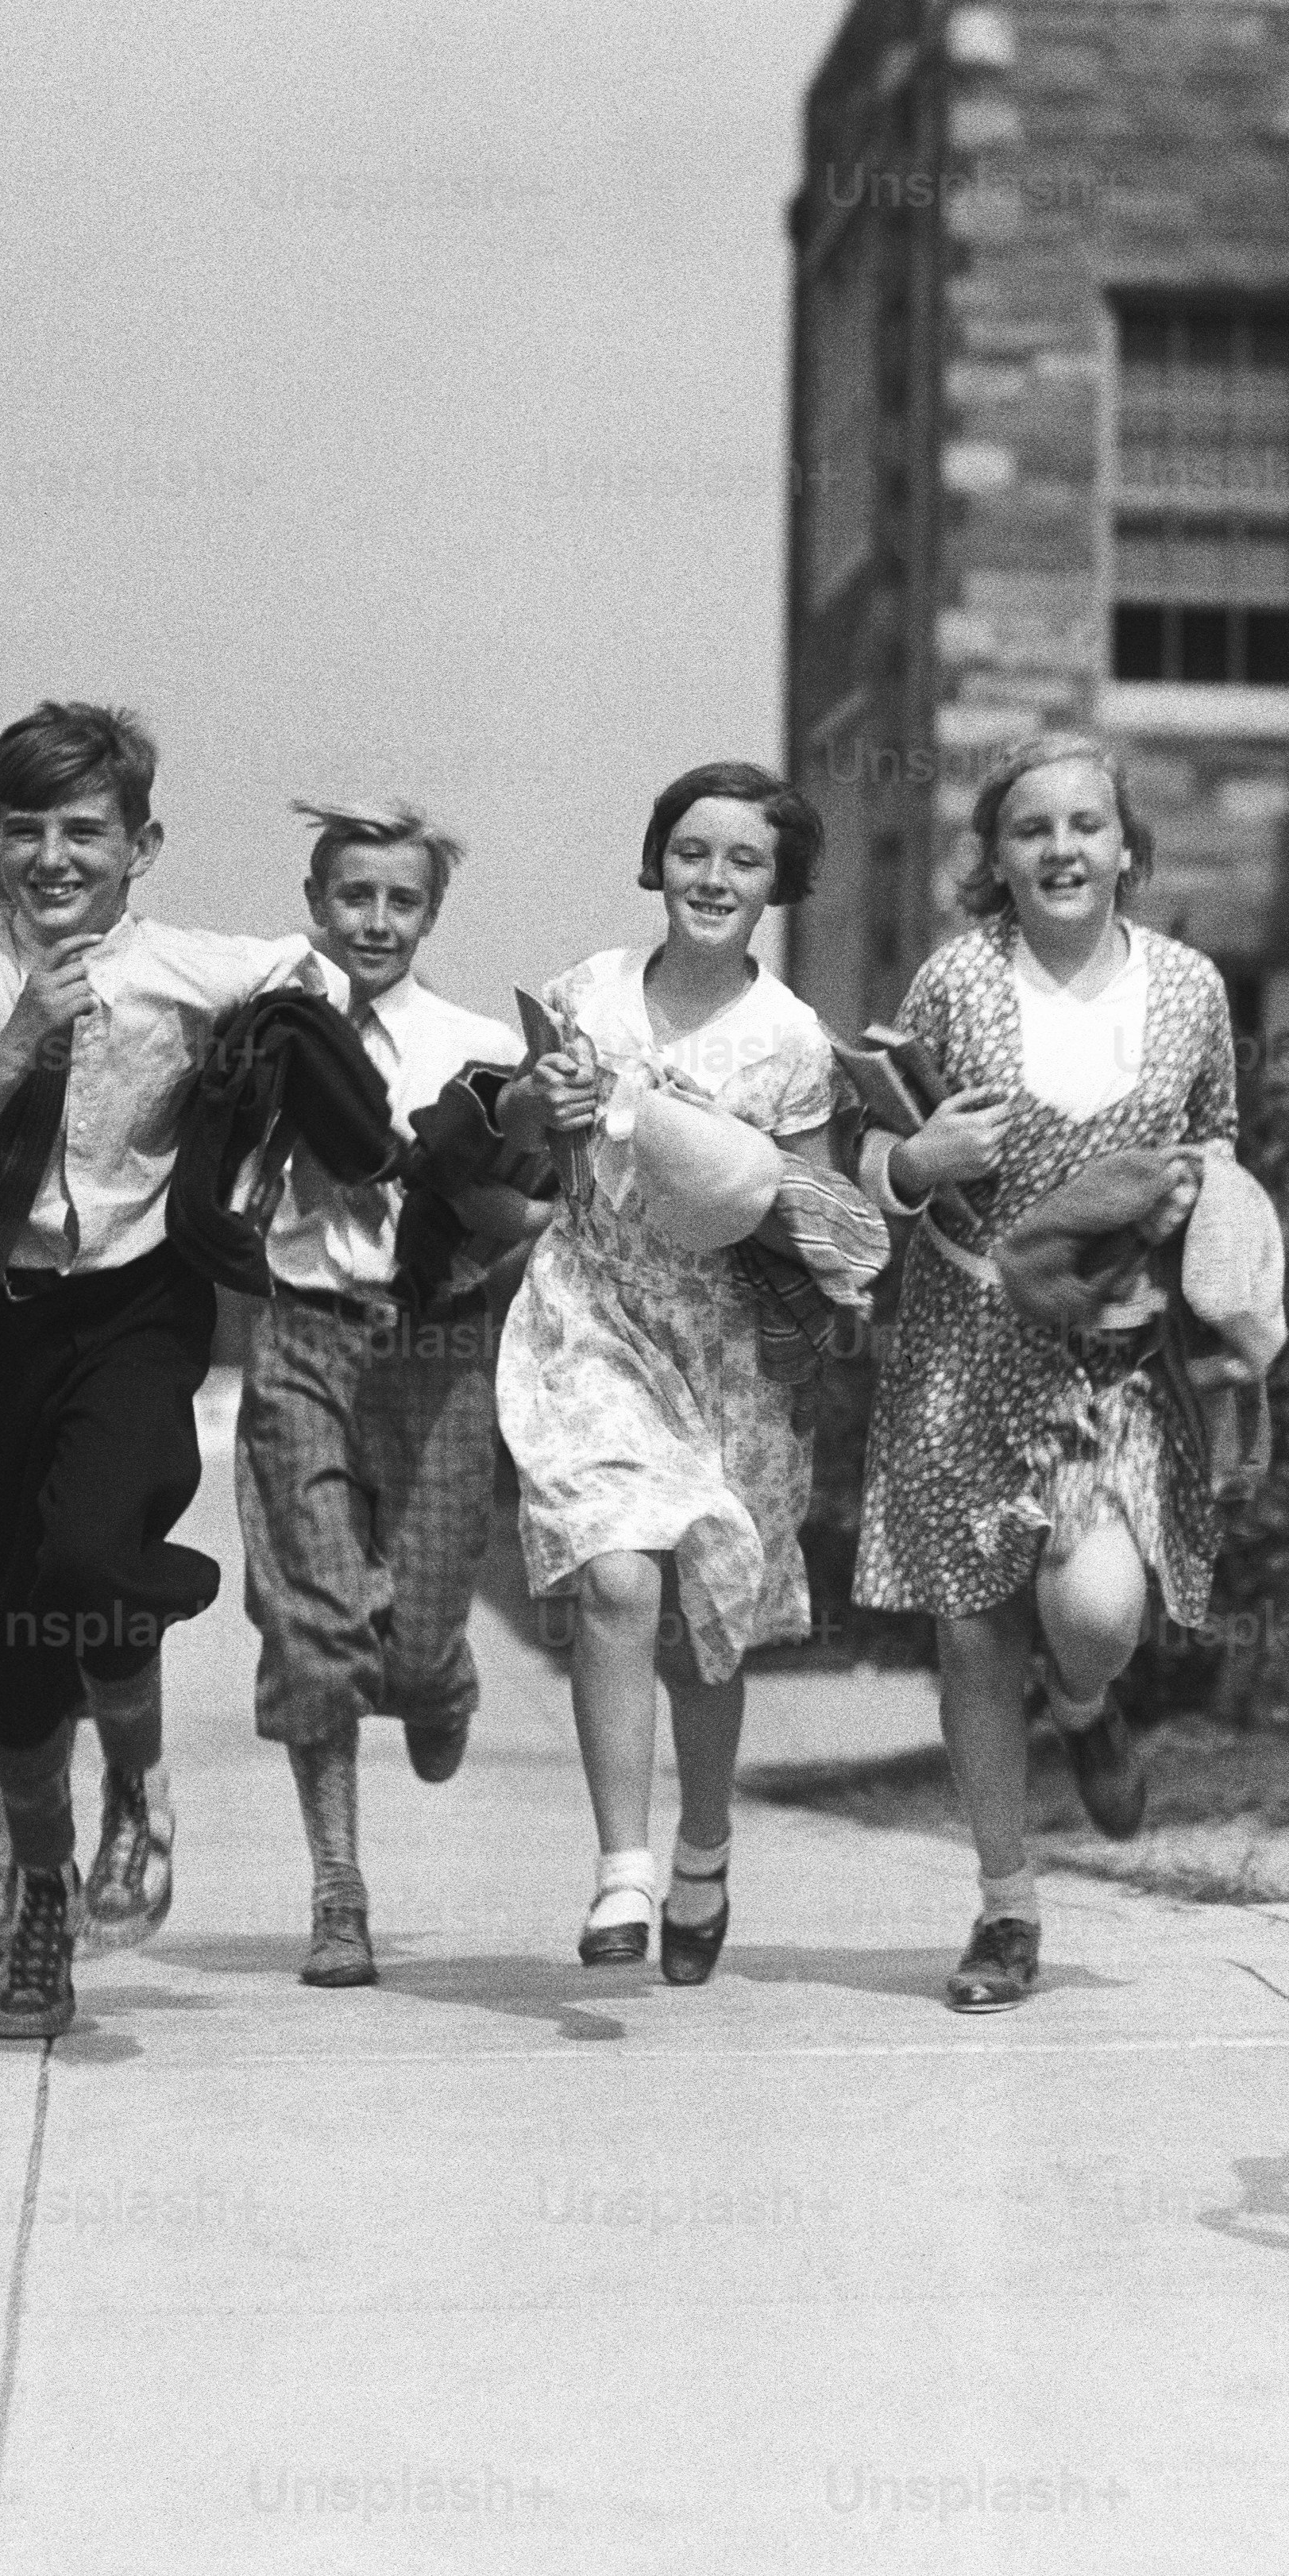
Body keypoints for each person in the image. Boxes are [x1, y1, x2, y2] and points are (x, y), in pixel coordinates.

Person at [0, 700, 339, 2044]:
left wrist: (284, 1100)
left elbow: (322, 990)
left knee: (91, 1554)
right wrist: (13, 1043)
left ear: (143, 843)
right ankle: (43, 1895)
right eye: (26, 831)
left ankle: (135, 1778)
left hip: (131, 1301)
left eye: (86, 830)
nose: (53, 857)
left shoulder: (192, 966)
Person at [854, 732, 1236, 2015]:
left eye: (1087, 826)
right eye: (1032, 831)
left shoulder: (1190, 987)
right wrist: (915, 1163)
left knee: (1096, 1611)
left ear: (1128, 848)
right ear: (998, 858)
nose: (1062, 850)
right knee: (971, 1627)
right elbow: (878, 1146)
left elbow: (1219, 1139)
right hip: (965, 1333)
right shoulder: (955, 980)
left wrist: (1208, 1228)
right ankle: (1006, 1906)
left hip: (1110, 1357)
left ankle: (1084, 1703)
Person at [500, 762, 843, 1983]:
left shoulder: (793, 1040)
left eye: (743, 860)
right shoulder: (588, 991)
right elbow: (520, 1158)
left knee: (709, 1628)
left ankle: (704, 1846)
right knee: (616, 1578)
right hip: (592, 1311)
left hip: (730, 1347)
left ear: (778, 884)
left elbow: (815, 1217)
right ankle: (623, 1873)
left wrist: (705, 1149)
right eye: (692, 851)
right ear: (659, 861)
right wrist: (541, 1105)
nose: (713, 878)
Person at [235, 800, 538, 1989]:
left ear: (431, 913)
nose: (375, 919)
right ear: (317, 904)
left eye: (400, 899)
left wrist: (478, 1250)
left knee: (408, 1649)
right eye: (353, 896)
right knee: (313, 1627)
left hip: (437, 1349)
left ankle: (441, 1679)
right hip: (303, 1332)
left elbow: (532, 1211)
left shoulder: (477, 1051)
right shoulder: (271, 1032)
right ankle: (338, 1890)